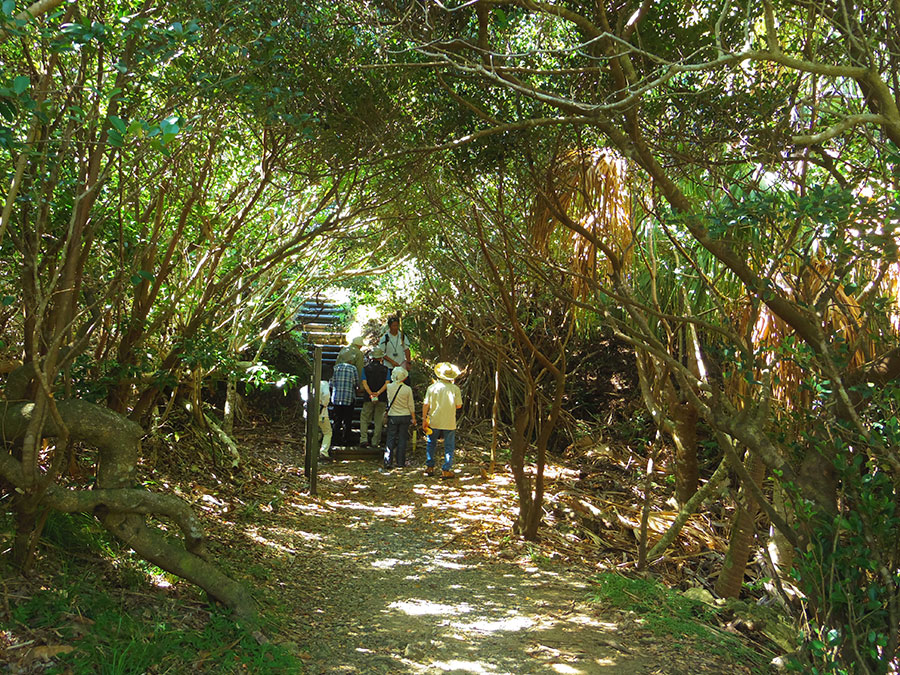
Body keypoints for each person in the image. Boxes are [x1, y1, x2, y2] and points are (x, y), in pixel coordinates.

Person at [422, 362, 463, 479]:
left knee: (431, 443)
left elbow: (426, 404)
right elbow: (459, 405)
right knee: (449, 446)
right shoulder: (455, 389)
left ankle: (430, 467)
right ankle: (446, 470)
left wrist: (424, 419)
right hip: (449, 420)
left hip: (434, 419)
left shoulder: (432, 388)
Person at [384, 366, 416, 469]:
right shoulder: (407, 389)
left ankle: (388, 461)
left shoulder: (389, 387)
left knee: (390, 438)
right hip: (405, 415)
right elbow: (411, 405)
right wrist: (413, 418)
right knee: (402, 439)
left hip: (393, 415)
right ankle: (400, 462)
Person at [360, 347, 389, 448]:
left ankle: (363, 439)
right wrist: (378, 393)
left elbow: (364, 383)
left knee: (364, 419)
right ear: (381, 358)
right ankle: (375, 441)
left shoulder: (365, 369)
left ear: (371, 357)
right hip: (382, 398)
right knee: (378, 420)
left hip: (368, 398)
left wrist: (371, 394)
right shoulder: (386, 370)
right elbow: (387, 383)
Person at [330, 360, 359, 446]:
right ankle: (346, 440)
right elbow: (356, 383)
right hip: (348, 398)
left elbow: (331, 383)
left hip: (337, 398)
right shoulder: (353, 369)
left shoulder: (335, 368)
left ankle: (335, 440)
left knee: (337, 420)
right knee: (347, 421)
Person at [378, 315, 411, 380]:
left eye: (397, 325)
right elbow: (381, 353)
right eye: (394, 326)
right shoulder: (385, 338)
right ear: (390, 326)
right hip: (389, 367)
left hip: (401, 366)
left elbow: (407, 349)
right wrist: (392, 362)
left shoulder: (402, 336)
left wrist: (408, 362)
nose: (396, 327)